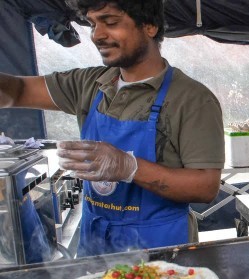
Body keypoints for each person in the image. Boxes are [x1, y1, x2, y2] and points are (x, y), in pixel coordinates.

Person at [0, 0, 224, 257]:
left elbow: (206, 187)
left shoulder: (192, 99)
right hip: (96, 244)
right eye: (93, 24)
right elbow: (17, 91)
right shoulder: (89, 84)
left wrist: (128, 167)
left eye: (111, 22)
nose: (97, 35)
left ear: (149, 26)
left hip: (161, 247)